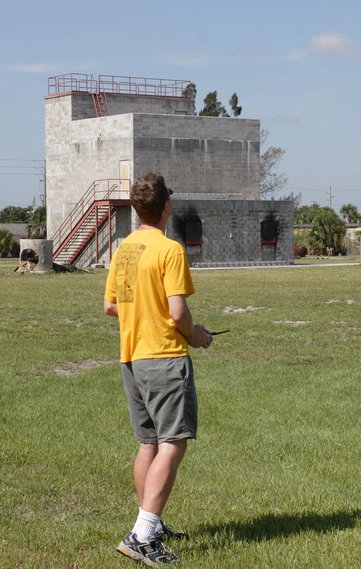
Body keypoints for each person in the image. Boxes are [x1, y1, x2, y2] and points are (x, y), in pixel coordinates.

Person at [104, 172, 212, 565]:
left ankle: (150, 522)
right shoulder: (169, 250)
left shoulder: (124, 250)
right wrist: (196, 335)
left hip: (131, 358)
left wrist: (144, 311)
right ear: (167, 205)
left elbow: (111, 305)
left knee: (148, 442)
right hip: (164, 356)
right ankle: (142, 535)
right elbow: (178, 312)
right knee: (173, 442)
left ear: (136, 208)